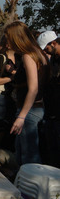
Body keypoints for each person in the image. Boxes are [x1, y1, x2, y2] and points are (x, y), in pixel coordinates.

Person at [6, 21, 50, 165]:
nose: (7, 42)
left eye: (8, 38)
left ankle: (27, 186)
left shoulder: (28, 56)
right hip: (35, 109)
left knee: (28, 156)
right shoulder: (39, 54)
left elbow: (33, 88)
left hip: (29, 111)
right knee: (23, 152)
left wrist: (21, 116)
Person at [39, 31, 60, 168]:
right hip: (53, 109)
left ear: (53, 43)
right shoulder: (54, 59)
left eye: (46, 48)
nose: (45, 51)